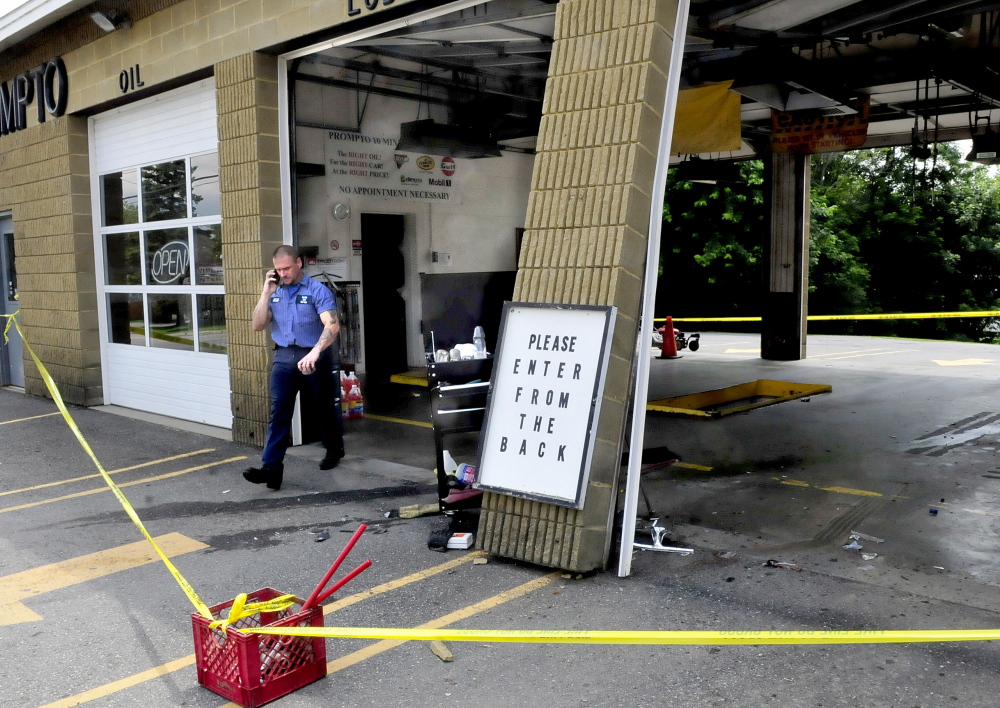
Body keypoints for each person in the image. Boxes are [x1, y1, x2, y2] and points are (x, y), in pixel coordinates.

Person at [243, 245, 344, 490]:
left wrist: (314, 352)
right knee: (279, 413)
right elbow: (257, 325)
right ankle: (271, 470)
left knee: (322, 409)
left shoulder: (317, 291)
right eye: (278, 269)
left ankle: (334, 450)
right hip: (284, 356)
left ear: (299, 263)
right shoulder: (275, 291)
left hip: (315, 354)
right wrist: (266, 293)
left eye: (286, 268)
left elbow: (332, 326)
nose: (283, 273)